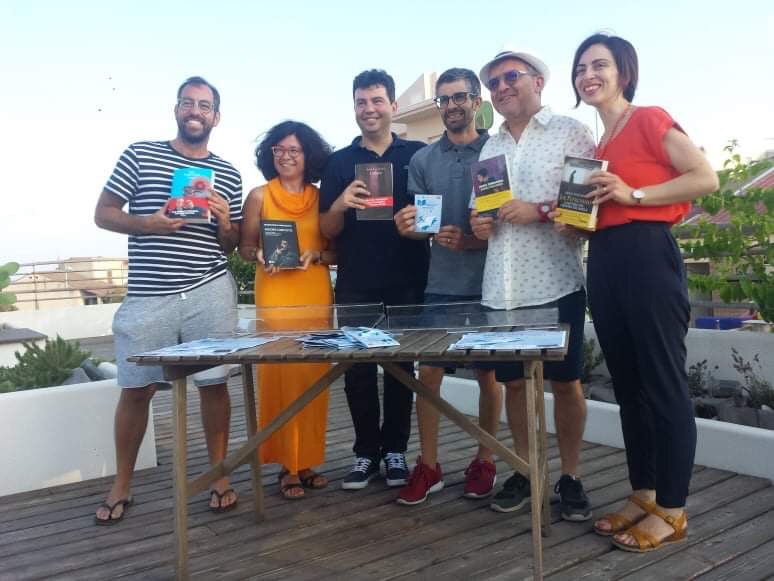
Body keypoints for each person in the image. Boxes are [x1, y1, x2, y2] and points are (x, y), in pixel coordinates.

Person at [569, 33, 718, 551]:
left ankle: (673, 510)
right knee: (629, 386)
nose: (588, 75)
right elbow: (604, 208)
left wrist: (632, 193)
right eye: (581, 67)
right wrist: (575, 221)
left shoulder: (650, 119)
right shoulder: (598, 147)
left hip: (648, 254)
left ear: (624, 72)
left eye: (599, 65)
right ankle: (645, 494)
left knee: (663, 383)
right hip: (606, 258)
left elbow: (705, 177)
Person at [94, 76, 243, 523]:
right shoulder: (140, 154)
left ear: (216, 116)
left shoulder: (229, 174)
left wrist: (224, 221)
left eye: (204, 105)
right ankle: (122, 484)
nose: (195, 111)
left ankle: (218, 476)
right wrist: (149, 224)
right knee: (136, 388)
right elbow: (103, 213)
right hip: (149, 293)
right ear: (176, 109)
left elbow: (230, 245)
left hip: (208, 288)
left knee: (214, 383)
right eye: (187, 103)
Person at [470, 49, 595, 521]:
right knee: (515, 386)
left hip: (556, 281)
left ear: (538, 81)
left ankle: (571, 476)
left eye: (511, 77)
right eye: (493, 82)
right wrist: (479, 224)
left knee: (566, 384)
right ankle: (527, 470)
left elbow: (586, 206)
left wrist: (538, 211)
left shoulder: (571, 131)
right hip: (501, 289)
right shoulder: (489, 147)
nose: (501, 87)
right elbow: (480, 211)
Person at [392, 68, 503, 505]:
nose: (451, 106)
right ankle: (429, 464)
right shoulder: (423, 160)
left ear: (476, 101)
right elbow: (422, 224)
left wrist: (471, 241)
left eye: (459, 97)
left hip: (490, 284)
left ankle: (485, 459)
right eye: (444, 99)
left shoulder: (495, 152)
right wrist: (410, 228)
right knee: (429, 375)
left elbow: (501, 225)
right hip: (439, 283)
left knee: (488, 375)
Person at [319, 69, 428, 490]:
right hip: (356, 281)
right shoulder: (339, 162)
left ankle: (396, 450)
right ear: (354, 108)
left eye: (377, 100)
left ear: (393, 106)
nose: (370, 109)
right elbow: (326, 229)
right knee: (357, 370)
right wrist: (341, 204)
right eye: (362, 102)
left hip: (408, 277)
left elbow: (433, 217)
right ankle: (366, 452)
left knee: (402, 368)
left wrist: (419, 221)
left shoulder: (417, 154)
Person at [239, 120, 335, 500]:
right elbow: (244, 247)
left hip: (314, 293)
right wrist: (259, 253)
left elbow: (336, 252)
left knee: (313, 377)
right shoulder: (259, 196)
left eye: (294, 150)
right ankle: (286, 465)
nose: (286, 156)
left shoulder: (322, 198)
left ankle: (306, 460)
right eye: (279, 150)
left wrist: (316, 255)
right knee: (280, 376)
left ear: (308, 155)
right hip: (276, 295)